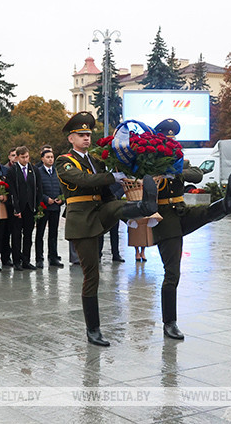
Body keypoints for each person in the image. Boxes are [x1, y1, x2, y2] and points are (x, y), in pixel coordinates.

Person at [56, 111, 158, 346]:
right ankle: (93, 330)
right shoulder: (65, 161)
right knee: (92, 275)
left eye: (88, 135)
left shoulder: (96, 161)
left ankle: (142, 207)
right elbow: (83, 181)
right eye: (81, 135)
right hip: (81, 221)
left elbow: (106, 190)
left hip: (99, 213)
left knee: (115, 205)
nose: (86, 138)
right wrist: (111, 177)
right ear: (71, 139)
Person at [151, 118, 231, 340]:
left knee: (205, 213)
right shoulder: (150, 162)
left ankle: (227, 204)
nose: (171, 141)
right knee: (172, 273)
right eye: (166, 137)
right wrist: (160, 171)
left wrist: (176, 171)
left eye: (173, 138)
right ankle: (169, 322)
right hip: (164, 220)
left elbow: (197, 174)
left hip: (181, 211)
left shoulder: (179, 160)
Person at [8, 146, 42, 271]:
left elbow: (39, 189)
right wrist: (16, 208)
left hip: (30, 207)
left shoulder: (34, 170)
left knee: (28, 235)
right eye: (22, 157)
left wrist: (38, 206)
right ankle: (17, 260)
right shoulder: (13, 171)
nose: (25, 160)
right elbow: (11, 191)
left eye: (27, 157)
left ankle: (26, 260)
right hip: (18, 208)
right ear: (17, 157)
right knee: (16, 235)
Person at [35, 147, 64, 268]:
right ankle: (39, 258)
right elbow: (36, 189)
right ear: (42, 159)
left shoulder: (57, 172)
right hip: (43, 207)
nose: (50, 159)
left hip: (55, 207)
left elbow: (62, 188)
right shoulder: (38, 172)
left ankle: (53, 257)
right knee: (40, 233)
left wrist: (61, 199)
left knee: (53, 233)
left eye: (52, 157)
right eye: (48, 157)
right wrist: (46, 199)